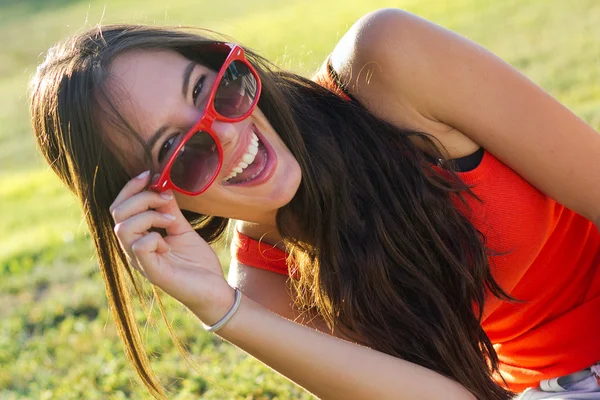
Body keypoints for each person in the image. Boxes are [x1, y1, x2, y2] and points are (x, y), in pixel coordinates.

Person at [29, 8, 600, 400]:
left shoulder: (390, 61)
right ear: (159, 197)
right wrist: (222, 309)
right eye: (178, 148)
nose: (226, 134)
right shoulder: (265, 286)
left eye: (212, 90)